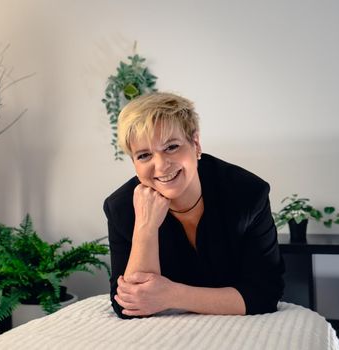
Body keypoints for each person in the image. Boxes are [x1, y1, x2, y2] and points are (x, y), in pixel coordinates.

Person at [103, 92, 284, 319]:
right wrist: (145, 228)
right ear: (134, 163)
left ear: (195, 143)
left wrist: (171, 295)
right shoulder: (120, 208)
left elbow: (265, 294)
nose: (160, 166)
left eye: (171, 147)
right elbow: (129, 307)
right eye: (144, 155)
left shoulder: (247, 194)